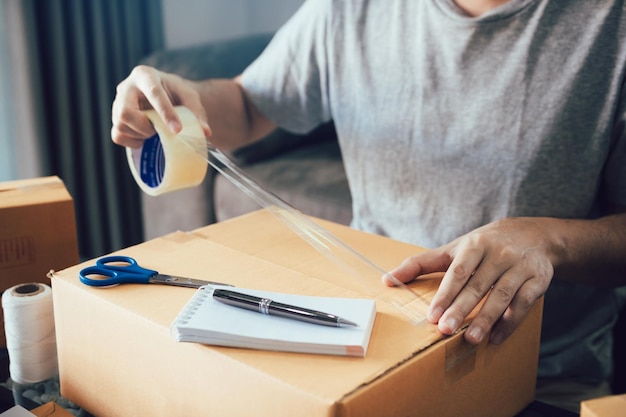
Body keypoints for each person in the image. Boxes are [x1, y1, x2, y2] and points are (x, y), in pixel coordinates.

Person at [111, 0, 626, 412]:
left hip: (537, 375)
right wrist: (184, 100)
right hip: (370, 351)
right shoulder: (349, 8)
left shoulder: (610, 26)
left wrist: (547, 240)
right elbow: (248, 106)